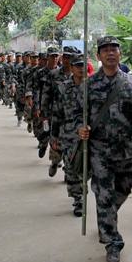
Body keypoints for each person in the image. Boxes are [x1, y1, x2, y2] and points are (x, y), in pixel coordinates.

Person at [77, 35, 132, 262]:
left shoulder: (131, 83)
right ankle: (112, 242)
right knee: (104, 195)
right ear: (99, 55)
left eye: (114, 49)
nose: (110, 53)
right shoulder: (89, 85)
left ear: (120, 54)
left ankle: (107, 218)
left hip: (124, 150)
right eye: (105, 50)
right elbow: (75, 114)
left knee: (125, 187)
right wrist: (79, 129)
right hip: (99, 151)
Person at [51, 53, 85, 217]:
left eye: (83, 65)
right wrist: (54, 136)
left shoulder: (93, 87)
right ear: (71, 68)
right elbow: (57, 114)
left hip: (89, 135)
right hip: (69, 135)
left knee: (89, 168)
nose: (81, 68)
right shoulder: (63, 88)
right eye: (77, 65)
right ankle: (78, 200)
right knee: (72, 169)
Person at [41, 46, 77, 177]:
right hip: (56, 115)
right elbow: (46, 95)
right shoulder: (53, 75)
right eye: (65, 57)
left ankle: (68, 170)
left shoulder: (79, 75)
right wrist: (44, 114)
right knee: (56, 142)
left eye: (70, 57)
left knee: (71, 145)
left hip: (73, 117)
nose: (67, 60)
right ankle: (55, 162)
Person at [34, 46, 60, 158]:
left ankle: (55, 159)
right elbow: (36, 91)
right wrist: (37, 107)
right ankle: (43, 144)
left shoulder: (62, 72)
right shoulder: (40, 73)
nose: (54, 58)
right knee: (45, 130)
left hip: (58, 109)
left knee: (57, 133)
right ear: (47, 57)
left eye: (56, 56)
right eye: (52, 56)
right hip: (45, 107)